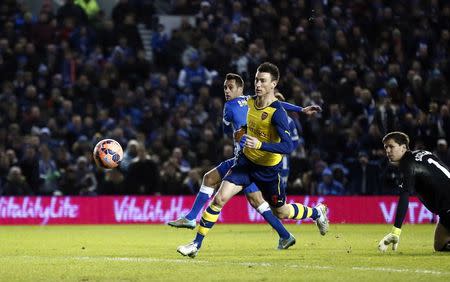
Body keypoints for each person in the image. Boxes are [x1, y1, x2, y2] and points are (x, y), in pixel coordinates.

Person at [177, 62, 328, 258]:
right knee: (219, 199)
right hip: (245, 164)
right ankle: (195, 245)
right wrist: (300, 109)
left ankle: (317, 213)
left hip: (268, 171)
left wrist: (260, 145)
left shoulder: (278, 114)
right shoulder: (250, 101)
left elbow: (288, 146)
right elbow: (277, 103)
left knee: (281, 212)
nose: (258, 84)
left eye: (263, 81)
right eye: (256, 79)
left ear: (274, 84)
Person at [378, 131, 450, 252]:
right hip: (445, 211)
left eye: (391, 146)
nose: (388, 151)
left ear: (403, 147)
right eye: (386, 147)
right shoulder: (424, 153)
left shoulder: (408, 165)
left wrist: (396, 231)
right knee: (440, 245)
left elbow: (404, 196)